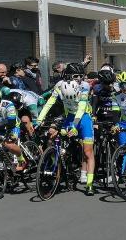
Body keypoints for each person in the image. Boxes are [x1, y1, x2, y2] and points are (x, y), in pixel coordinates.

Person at [38, 63, 96, 195]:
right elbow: (49, 103)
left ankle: (89, 183)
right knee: (55, 139)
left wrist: (75, 126)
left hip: (84, 118)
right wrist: (39, 119)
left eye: (82, 76)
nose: (80, 79)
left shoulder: (85, 86)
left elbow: (81, 107)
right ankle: (61, 164)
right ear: (68, 76)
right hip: (69, 116)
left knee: (88, 152)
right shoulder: (59, 85)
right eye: (76, 76)